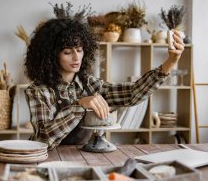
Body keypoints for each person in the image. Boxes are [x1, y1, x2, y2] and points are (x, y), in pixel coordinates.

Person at [24, 18, 184, 149]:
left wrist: (170, 62)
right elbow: (44, 139)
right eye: (67, 52)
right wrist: (80, 105)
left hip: (81, 155)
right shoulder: (38, 91)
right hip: (46, 158)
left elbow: (132, 94)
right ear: (51, 56)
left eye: (79, 50)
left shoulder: (89, 84)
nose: (76, 57)